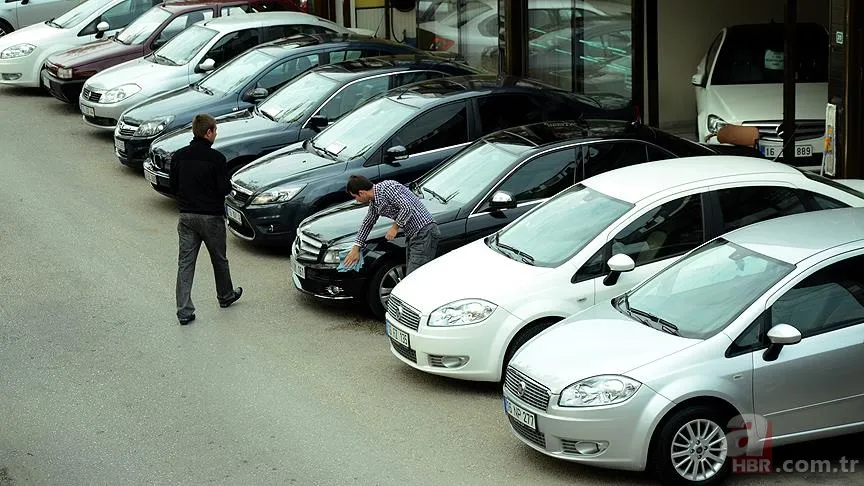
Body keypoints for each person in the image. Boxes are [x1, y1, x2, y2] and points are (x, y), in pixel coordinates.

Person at [169, 113, 242, 325]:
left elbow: (173, 187)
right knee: (219, 259)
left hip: (186, 217)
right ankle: (225, 295)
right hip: (211, 218)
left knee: (185, 263)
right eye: (215, 131)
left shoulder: (179, 156)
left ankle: (184, 311)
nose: (216, 134)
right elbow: (224, 189)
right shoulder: (217, 159)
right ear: (208, 132)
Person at [343, 175, 440, 274]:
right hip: (413, 236)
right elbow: (367, 224)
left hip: (424, 231)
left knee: (414, 277)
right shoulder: (374, 203)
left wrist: (394, 227)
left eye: (355, 197)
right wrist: (356, 247)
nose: (356, 200)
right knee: (412, 276)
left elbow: (407, 208)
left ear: (361, 193)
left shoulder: (388, 188)